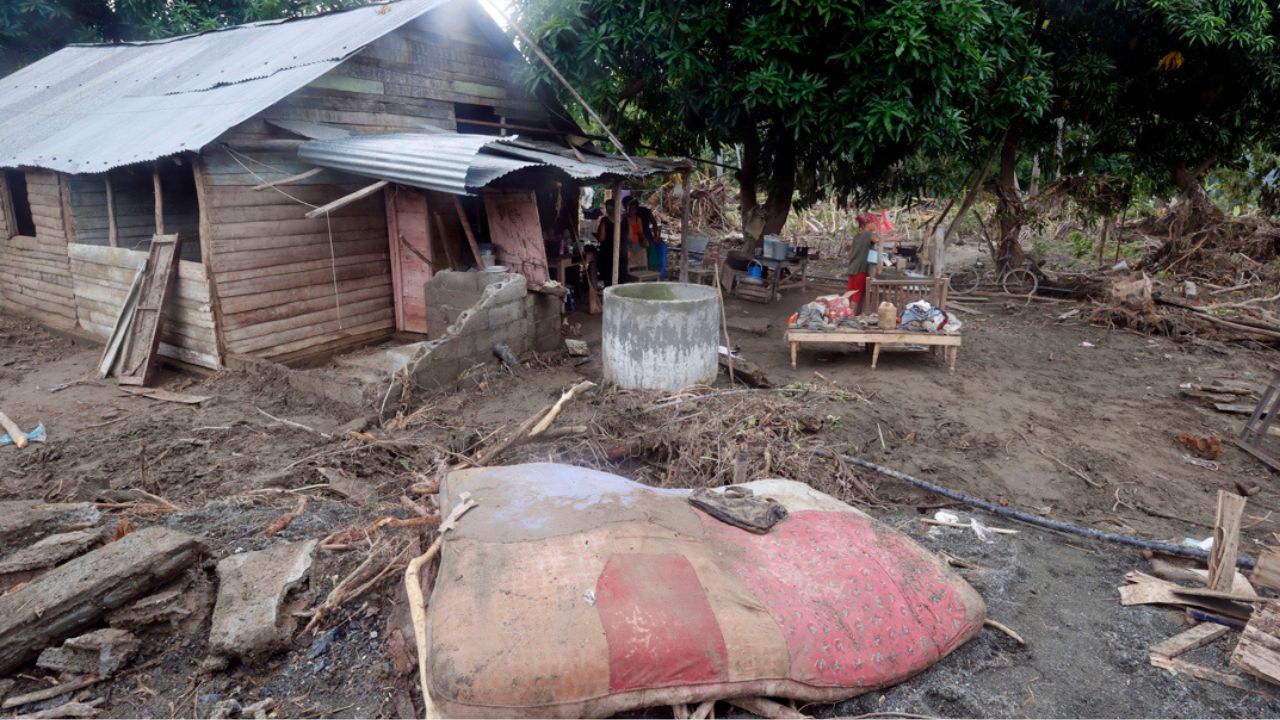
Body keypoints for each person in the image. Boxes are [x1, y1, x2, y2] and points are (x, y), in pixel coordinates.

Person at [846, 213, 877, 311]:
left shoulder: (857, 236)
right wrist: (895, 238)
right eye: (873, 222)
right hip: (860, 269)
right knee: (856, 295)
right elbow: (878, 240)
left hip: (852, 268)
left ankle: (844, 314)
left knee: (850, 293)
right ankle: (851, 317)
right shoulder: (868, 234)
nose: (875, 224)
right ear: (867, 224)